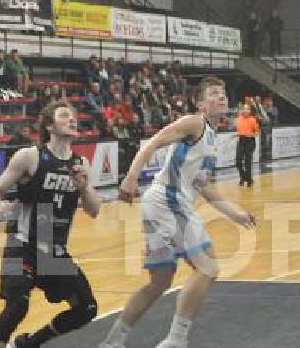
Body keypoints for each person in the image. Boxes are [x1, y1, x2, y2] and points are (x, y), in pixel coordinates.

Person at [99, 77, 256, 348]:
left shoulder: (212, 137)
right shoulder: (195, 122)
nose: (221, 98)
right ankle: (176, 339)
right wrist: (131, 176)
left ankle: (113, 340)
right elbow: (156, 140)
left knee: (160, 282)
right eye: (214, 94)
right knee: (207, 266)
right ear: (200, 103)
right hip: (166, 200)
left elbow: (204, 186)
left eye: (223, 94)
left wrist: (236, 214)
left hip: (165, 203)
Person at [0, 101, 101, 348]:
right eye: (64, 116)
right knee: (17, 305)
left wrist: (84, 187)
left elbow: (94, 211)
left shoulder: (81, 164)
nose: (73, 120)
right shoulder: (30, 156)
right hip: (23, 244)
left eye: (73, 116)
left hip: (53, 251)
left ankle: (32, 342)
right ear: (49, 125)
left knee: (87, 309)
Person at [235, 103, 260, 187]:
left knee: (247, 162)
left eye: (247, 109)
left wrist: (250, 135)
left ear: (250, 111)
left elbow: (257, 133)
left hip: (250, 141)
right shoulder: (239, 119)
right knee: (238, 161)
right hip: (241, 140)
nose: (246, 110)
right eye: (244, 109)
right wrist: (237, 134)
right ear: (242, 110)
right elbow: (239, 130)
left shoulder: (253, 119)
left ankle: (249, 180)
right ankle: (243, 176)